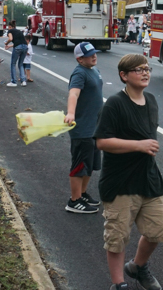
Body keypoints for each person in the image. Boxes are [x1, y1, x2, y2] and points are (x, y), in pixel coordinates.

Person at [94, 54, 163, 290]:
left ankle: (137, 266)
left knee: (159, 230)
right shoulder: (115, 104)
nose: (145, 73)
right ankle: (119, 284)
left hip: (149, 178)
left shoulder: (152, 100)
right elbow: (102, 142)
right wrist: (139, 145)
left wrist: (145, 146)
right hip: (120, 181)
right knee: (117, 239)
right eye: (138, 70)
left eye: (146, 68)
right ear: (124, 76)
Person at [64, 42, 104, 214]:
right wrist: (71, 113)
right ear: (80, 59)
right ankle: (74, 201)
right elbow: (73, 93)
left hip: (95, 128)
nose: (94, 56)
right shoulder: (79, 73)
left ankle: (83, 193)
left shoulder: (94, 70)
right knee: (80, 165)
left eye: (95, 53)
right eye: (90, 54)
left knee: (91, 164)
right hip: (83, 129)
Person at [5, 20, 28, 87]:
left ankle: (13, 81)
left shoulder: (10, 31)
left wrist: (6, 43)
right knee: (21, 64)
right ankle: (23, 81)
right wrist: (10, 46)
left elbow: (11, 39)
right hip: (25, 46)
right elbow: (20, 42)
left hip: (17, 47)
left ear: (9, 26)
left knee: (13, 64)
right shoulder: (19, 31)